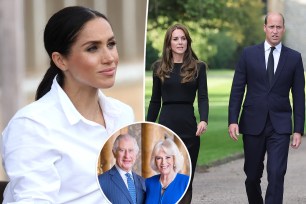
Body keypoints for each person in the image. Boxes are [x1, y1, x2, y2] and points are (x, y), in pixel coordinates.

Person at [1, 6, 134, 203]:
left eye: (111, 44)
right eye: (92, 48)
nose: (110, 58)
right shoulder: (32, 126)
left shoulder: (122, 114)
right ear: (61, 60)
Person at [228, 12, 305, 204]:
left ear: (283, 29)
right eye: (271, 26)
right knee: (252, 175)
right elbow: (237, 89)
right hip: (253, 123)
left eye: (279, 27)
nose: (275, 31)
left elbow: (299, 96)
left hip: (280, 125)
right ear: (264, 28)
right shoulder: (248, 54)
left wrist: (298, 129)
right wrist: (232, 120)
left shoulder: (294, 58)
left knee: (277, 173)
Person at [146, 23, 209, 203]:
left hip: (189, 128)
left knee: (185, 179)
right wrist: (148, 126)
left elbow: (203, 97)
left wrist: (203, 120)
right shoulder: (159, 67)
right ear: (169, 43)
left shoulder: (199, 67)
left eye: (183, 39)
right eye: (176, 39)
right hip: (166, 127)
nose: (180, 42)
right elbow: (155, 100)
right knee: (165, 177)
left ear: (188, 42)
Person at [98, 134, 146, 204]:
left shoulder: (144, 182)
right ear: (114, 153)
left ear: (136, 154)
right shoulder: (101, 181)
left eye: (130, 150)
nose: (127, 156)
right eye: (122, 150)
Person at [145, 138, 189, 204]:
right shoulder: (148, 183)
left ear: (174, 159)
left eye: (167, 157)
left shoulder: (186, 182)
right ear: (155, 161)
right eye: (159, 158)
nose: (163, 162)